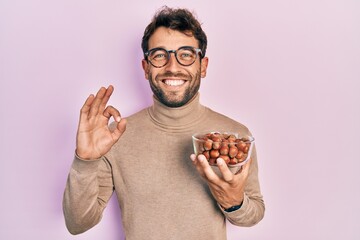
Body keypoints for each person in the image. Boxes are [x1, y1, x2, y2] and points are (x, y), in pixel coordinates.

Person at [63, 6, 265, 240]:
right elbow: (77, 224)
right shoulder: (115, 136)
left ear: (204, 66)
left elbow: (254, 214)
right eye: (159, 55)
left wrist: (234, 202)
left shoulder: (235, 136)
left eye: (186, 54)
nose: (173, 67)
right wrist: (85, 161)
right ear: (146, 68)